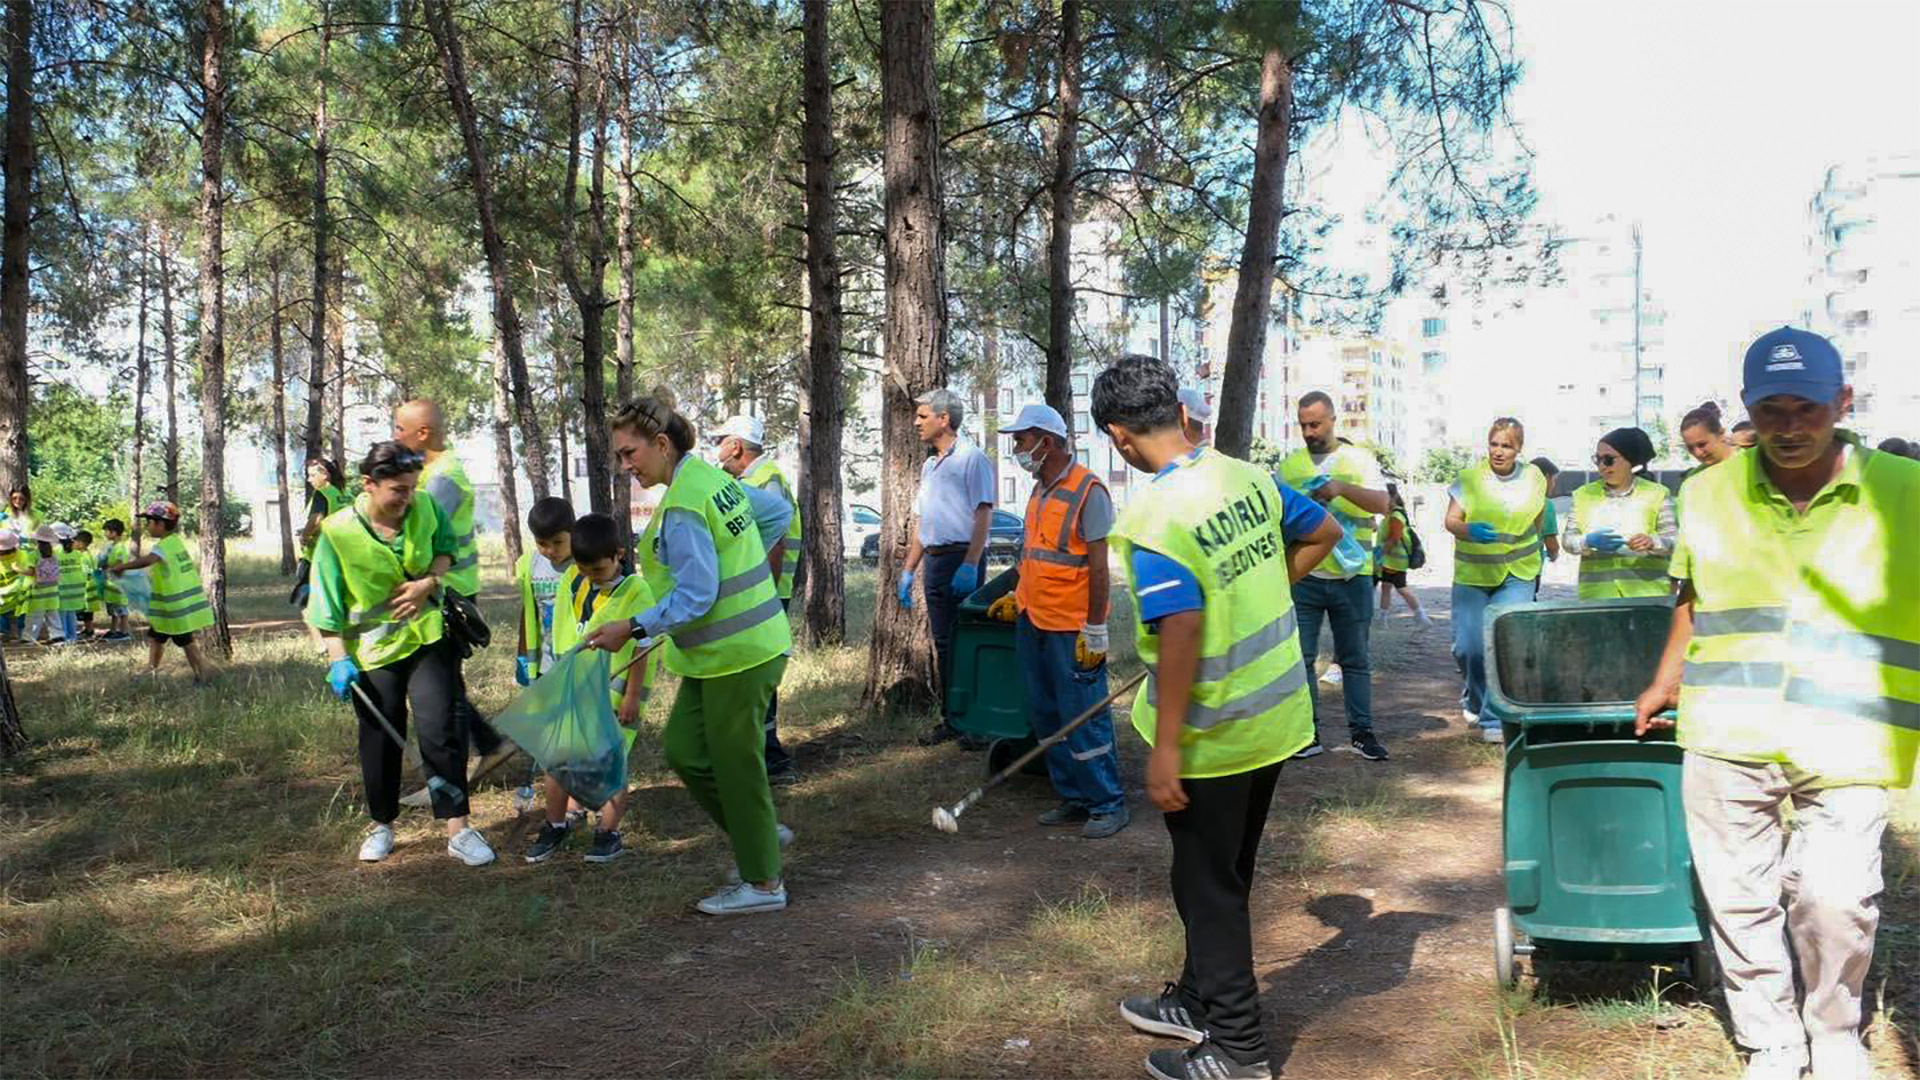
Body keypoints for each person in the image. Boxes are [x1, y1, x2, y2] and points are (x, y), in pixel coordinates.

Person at [1632, 327, 1917, 1080]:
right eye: (1771, 410)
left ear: (1842, 403)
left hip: (1853, 728)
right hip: (1729, 723)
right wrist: (1667, 678)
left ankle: (1832, 1029)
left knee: (1837, 894)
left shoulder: (1907, 491)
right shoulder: (1705, 492)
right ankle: (1772, 1037)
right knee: (1739, 896)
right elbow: (1691, 596)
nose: (1790, 428)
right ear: (1747, 412)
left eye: (1807, 409)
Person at [1096, 355, 1341, 1080]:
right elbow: (1324, 532)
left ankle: (1239, 1050)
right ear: (1175, 409)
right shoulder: (1248, 476)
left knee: (1209, 890)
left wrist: (1164, 747)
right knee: (1222, 872)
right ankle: (1199, 999)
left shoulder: (1154, 516)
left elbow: (1180, 629)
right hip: (1275, 719)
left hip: (1214, 733)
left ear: (1119, 436)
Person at [585, 396, 794, 916]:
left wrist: (632, 627)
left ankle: (763, 883)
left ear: (661, 444)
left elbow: (697, 596)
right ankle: (760, 834)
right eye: (620, 455)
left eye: (631, 453)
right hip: (719, 655)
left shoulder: (683, 505)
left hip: (739, 655)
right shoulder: (712, 481)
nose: (625, 464)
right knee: (684, 750)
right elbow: (777, 513)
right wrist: (741, 566)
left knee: (736, 767)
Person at [306, 440, 494, 866]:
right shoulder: (337, 533)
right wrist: (338, 658)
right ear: (369, 485)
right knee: (379, 737)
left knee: (441, 730)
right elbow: (325, 608)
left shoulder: (425, 507)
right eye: (398, 491)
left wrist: (428, 583)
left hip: (429, 636)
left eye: (411, 488)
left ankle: (458, 830)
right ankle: (382, 825)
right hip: (372, 652)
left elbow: (446, 551)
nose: (407, 499)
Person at [985, 403, 1128, 838]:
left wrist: (1096, 628)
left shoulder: (1090, 491)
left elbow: (1099, 569)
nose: (1016, 448)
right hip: (1035, 620)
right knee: (1046, 714)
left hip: (1072, 628)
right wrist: (1016, 595)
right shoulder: (1039, 489)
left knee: (1082, 715)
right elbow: (1038, 555)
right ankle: (1075, 795)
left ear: (1046, 443)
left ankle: (1107, 802)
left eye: (1022, 439)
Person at [524, 513, 656, 865]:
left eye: (598, 570)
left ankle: (608, 832)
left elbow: (645, 644)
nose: (590, 576)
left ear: (619, 555)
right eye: (584, 569)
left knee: (608, 764)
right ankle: (554, 824)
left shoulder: (637, 591)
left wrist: (631, 695)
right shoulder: (573, 579)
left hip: (614, 694)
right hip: (574, 688)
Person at [1277, 392, 1392, 761]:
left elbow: (1383, 505)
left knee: (1355, 658)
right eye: (1304, 424)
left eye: (1316, 423)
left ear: (1332, 420)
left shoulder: (1358, 461)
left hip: (1352, 577)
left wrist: (1341, 489)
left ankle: (1362, 733)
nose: (1309, 431)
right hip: (1305, 576)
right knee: (1301, 657)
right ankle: (1307, 734)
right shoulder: (1289, 467)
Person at [392, 400, 502, 761]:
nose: (393, 435)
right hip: (441, 590)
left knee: (442, 688)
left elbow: (420, 536)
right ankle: (485, 747)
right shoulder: (431, 470)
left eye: (398, 428)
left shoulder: (443, 479)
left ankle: (450, 775)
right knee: (445, 684)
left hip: (447, 593)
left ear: (422, 433)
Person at [896, 387, 996, 747]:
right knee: (945, 644)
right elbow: (925, 522)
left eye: (923, 416)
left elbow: (984, 512)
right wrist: (909, 569)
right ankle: (953, 719)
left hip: (961, 558)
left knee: (968, 642)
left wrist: (970, 564)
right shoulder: (929, 465)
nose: (916, 422)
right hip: (936, 562)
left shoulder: (972, 458)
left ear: (945, 419)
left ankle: (977, 722)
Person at [713, 413, 802, 785]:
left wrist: (759, 594)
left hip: (766, 594)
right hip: (763, 593)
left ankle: (773, 761)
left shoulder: (766, 480)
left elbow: (776, 541)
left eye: (721, 440)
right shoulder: (753, 479)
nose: (716, 448)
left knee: (759, 676)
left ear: (736, 446)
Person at [1447, 419, 1548, 742]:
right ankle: (1475, 700)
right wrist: (1467, 529)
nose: (1499, 452)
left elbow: (1538, 517)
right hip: (1474, 575)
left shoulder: (1534, 476)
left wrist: (1541, 551)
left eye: (1506, 445)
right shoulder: (1469, 479)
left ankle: (1493, 718)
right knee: (1468, 648)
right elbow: (1450, 520)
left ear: (1519, 449)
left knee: (1504, 643)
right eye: (1494, 444)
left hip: (1518, 573)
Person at [1562, 427, 1675, 600]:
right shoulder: (1582, 495)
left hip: (1648, 594)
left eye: (1608, 460)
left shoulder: (1658, 494)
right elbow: (1568, 541)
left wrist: (1652, 542)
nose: (1601, 467)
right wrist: (1586, 541)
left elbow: (1674, 541)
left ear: (1629, 459)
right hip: (1598, 595)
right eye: (1597, 460)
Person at [107, 502, 212, 681]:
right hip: (166, 607)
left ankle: (202, 677)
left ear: (160, 524)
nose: (148, 526)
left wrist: (122, 567)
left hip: (174, 609)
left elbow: (148, 560)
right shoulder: (175, 542)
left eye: (149, 522)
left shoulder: (162, 547)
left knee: (186, 641)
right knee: (156, 636)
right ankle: (151, 669)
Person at [515, 496, 576, 687]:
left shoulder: (586, 564)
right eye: (542, 543)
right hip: (545, 665)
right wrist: (522, 654)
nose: (550, 550)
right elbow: (529, 611)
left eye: (558, 542)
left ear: (573, 533)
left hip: (577, 664)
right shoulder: (531, 565)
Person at [293, 458, 352, 611]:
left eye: (312, 475)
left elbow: (316, 519)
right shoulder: (347, 495)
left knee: (307, 602)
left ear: (324, 475)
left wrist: (304, 536)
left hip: (317, 555)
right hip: (343, 554)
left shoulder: (322, 493)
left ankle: (318, 630)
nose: (309, 479)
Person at [1375, 484, 1431, 628]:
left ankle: (1421, 617)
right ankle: (1383, 619)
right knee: (1387, 587)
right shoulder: (1392, 514)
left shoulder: (1396, 515)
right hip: (1391, 561)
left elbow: (1394, 538)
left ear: (1391, 497)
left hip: (1394, 561)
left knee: (1401, 588)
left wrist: (1380, 554)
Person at [22, 526, 63, 644]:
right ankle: (58, 636)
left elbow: (31, 572)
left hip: (38, 591)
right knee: (53, 615)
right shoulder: (54, 554)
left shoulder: (33, 554)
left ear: (37, 540)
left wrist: (18, 569)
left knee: (34, 617)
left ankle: (29, 638)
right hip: (53, 591)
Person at [1681, 401, 1738, 480]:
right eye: (1690, 448)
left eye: (1702, 444)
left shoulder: (1750, 463)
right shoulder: (1694, 478)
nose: (1697, 453)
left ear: (1721, 434)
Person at [97, 519, 134, 641]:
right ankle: (113, 630)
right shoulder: (111, 547)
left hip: (118, 584)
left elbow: (120, 565)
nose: (105, 534)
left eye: (107, 531)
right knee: (113, 609)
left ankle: (124, 632)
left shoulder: (120, 548)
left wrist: (109, 569)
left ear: (114, 532)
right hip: (110, 584)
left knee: (121, 609)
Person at [53, 524, 87, 643]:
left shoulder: (55, 552)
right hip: (76, 589)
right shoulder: (77, 553)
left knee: (61, 614)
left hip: (62, 588)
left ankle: (64, 637)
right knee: (71, 614)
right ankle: (72, 637)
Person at [73, 529, 100, 640]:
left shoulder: (84, 557)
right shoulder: (86, 554)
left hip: (87, 587)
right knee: (86, 610)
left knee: (86, 610)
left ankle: (89, 630)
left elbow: (86, 571)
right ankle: (86, 629)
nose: (73, 544)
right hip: (90, 586)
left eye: (75, 541)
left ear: (81, 543)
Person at [0, 529, 27, 642]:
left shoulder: (20, 555)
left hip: (7, 594)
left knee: (3, 615)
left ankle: (5, 633)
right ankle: (21, 634)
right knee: (20, 614)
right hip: (18, 593)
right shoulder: (20, 554)